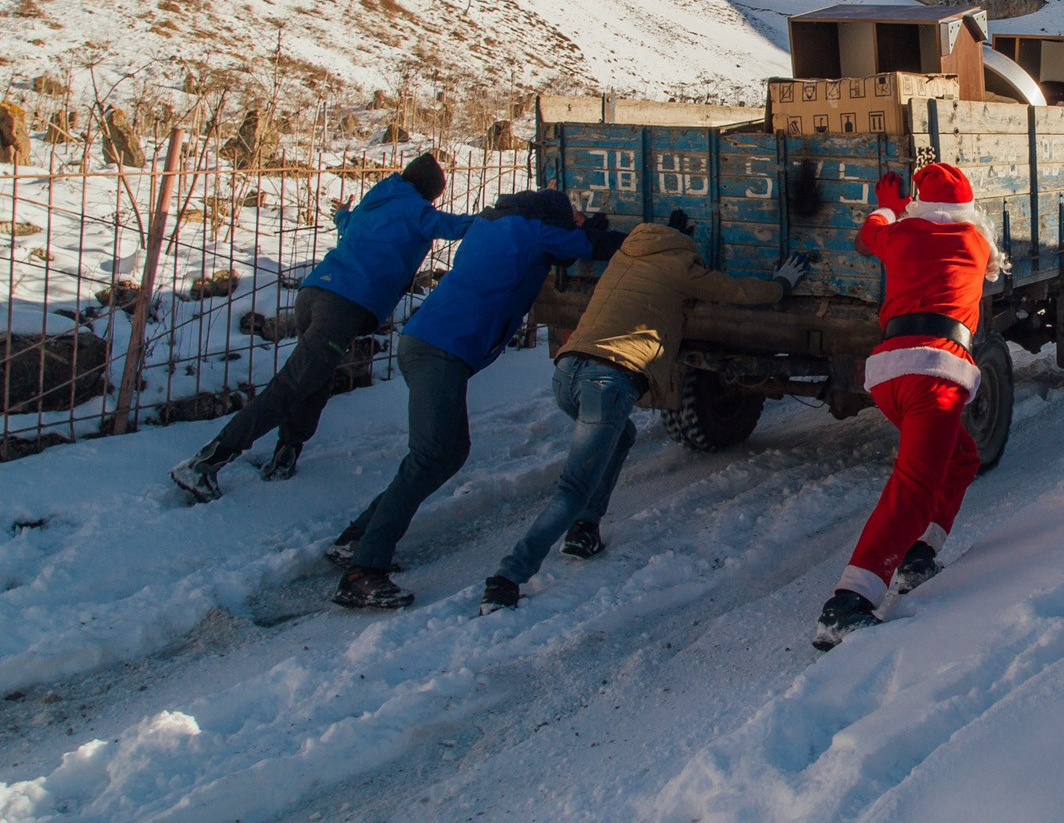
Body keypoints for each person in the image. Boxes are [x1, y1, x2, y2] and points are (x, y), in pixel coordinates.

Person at [479, 211, 813, 613]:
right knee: (572, 488)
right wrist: (779, 285)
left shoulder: (626, 253)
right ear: (684, 241)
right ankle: (507, 578)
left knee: (621, 437)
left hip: (567, 374)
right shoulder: (681, 266)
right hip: (609, 382)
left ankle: (585, 529)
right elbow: (735, 290)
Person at [329, 187, 612, 610]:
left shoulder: (493, 225)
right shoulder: (531, 232)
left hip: (425, 342)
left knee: (444, 452)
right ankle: (364, 570)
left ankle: (359, 538)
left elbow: (562, 251)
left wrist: (580, 229)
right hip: (441, 351)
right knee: (431, 455)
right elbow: (593, 246)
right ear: (548, 220)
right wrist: (650, 237)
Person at [170, 152, 472, 502]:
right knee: (292, 385)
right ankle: (207, 460)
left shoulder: (375, 202)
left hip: (313, 294)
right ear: (430, 193)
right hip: (344, 306)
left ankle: (286, 453)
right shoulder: (420, 213)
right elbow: (461, 226)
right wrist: (503, 217)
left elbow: (344, 221)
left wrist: (340, 212)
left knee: (315, 380)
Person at [812, 161, 1008, 651]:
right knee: (914, 488)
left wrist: (891, 207)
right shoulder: (977, 243)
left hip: (889, 377)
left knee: (961, 457)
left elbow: (868, 235)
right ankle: (848, 603)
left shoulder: (898, 235)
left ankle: (920, 555)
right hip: (935, 376)